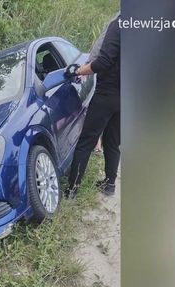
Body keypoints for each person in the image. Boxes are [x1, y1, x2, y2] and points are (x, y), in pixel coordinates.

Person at [67, 14, 120, 197]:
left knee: (86, 143)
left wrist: (79, 70)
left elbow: (103, 61)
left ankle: (72, 190)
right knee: (113, 142)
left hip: (107, 94)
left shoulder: (120, 24)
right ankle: (109, 185)